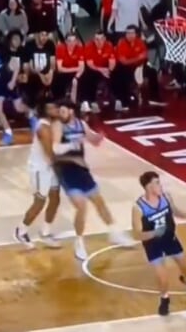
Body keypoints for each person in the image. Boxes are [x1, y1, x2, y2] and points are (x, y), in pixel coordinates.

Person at [51, 100, 133, 260]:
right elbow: (55, 148)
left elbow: (92, 140)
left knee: (99, 202)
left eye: (63, 111)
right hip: (66, 170)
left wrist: (99, 137)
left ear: (71, 111)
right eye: (59, 112)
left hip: (82, 169)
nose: (60, 114)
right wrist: (73, 144)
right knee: (81, 206)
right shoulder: (58, 126)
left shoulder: (81, 124)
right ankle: (79, 243)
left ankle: (115, 233)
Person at [132, 171, 186, 316]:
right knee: (162, 277)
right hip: (153, 244)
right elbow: (136, 234)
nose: (160, 185)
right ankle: (164, 299)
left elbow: (175, 212)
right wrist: (154, 233)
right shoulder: (138, 208)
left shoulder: (166, 197)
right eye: (157, 183)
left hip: (170, 239)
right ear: (148, 187)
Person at [15, 100, 62, 249]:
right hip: (40, 168)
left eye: (56, 106)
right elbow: (50, 153)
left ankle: (45, 232)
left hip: (50, 166)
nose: (56, 109)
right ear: (45, 111)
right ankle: (21, 231)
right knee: (39, 202)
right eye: (52, 107)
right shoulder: (43, 128)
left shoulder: (53, 124)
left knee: (55, 198)